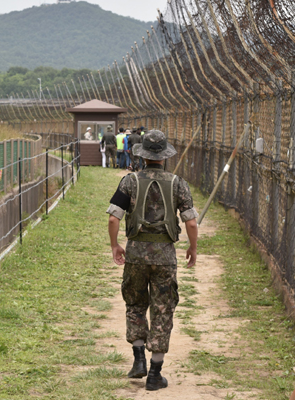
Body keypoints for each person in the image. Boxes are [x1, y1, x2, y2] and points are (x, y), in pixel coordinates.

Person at [106, 130, 198, 391]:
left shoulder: (130, 181)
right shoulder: (178, 183)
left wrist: (115, 245)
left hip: (135, 254)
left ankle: (138, 360)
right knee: (162, 308)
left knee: (135, 302)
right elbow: (190, 221)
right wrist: (193, 248)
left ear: (143, 156)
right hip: (165, 257)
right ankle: (155, 375)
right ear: (165, 156)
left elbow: (114, 217)